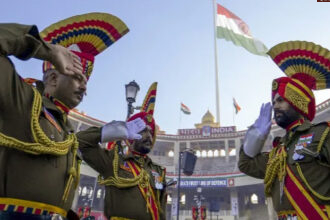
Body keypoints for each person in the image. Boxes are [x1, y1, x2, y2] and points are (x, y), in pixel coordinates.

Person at [0, 13, 144, 220]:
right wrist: (47, 51)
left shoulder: (65, 127)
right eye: (77, 77)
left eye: (86, 80)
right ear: (52, 78)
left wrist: (102, 132)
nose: (84, 86)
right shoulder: (23, 100)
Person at [238, 41, 330, 219]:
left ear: (297, 102)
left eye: (280, 101)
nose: (275, 106)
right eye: (274, 102)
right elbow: (246, 165)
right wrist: (255, 137)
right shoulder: (277, 152)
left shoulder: (322, 133)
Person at [77, 82, 168, 220]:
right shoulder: (112, 162)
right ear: (130, 136)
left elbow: (161, 210)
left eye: (151, 132)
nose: (149, 136)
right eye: (143, 131)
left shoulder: (158, 171)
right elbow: (80, 142)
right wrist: (111, 132)